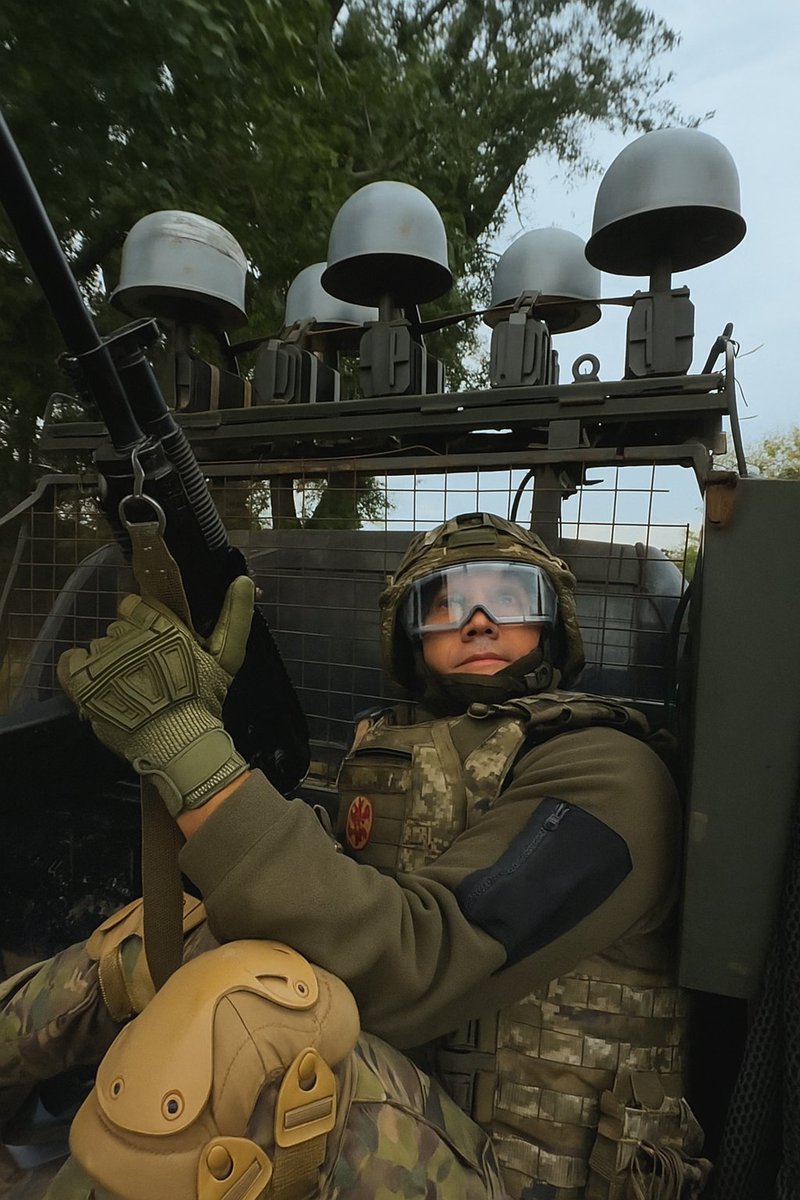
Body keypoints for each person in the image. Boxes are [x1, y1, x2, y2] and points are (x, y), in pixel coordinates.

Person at [0, 512, 709, 1199]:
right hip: (424, 1106)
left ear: (555, 623)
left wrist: (189, 750)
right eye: (446, 604)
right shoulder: (405, 753)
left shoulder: (612, 772)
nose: (480, 621)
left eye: (510, 600)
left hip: (521, 1176)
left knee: (250, 1028)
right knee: (165, 934)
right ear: (408, 635)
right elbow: (311, 905)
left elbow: (415, 963)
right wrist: (206, 732)